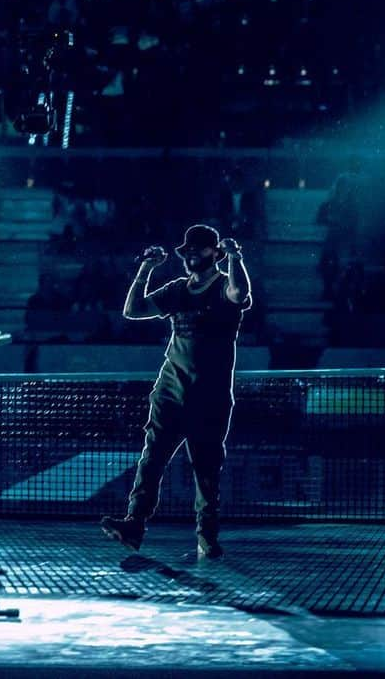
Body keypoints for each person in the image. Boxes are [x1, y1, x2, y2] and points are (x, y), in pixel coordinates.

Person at [101, 224, 252, 559]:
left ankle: (207, 537)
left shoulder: (224, 286)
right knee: (151, 459)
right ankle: (134, 526)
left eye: (198, 250)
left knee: (206, 469)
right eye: (187, 252)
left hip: (209, 396)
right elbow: (133, 310)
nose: (190, 256)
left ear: (215, 253)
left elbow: (239, 293)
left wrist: (236, 260)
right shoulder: (176, 290)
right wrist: (146, 268)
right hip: (170, 390)